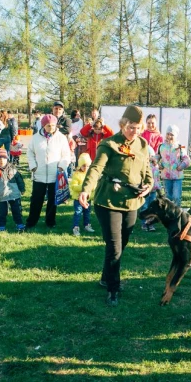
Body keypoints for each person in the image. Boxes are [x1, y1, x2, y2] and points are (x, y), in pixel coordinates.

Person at [78, 105, 153, 306]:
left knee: (122, 243)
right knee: (114, 246)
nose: (133, 132)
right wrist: (86, 189)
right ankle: (113, 288)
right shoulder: (109, 144)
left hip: (131, 202)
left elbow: (147, 171)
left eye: (137, 128)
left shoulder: (143, 144)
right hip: (108, 201)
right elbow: (95, 168)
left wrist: (148, 186)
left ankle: (105, 277)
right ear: (122, 124)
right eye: (130, 127)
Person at [25, 114, 71, 230]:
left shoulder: (61, 138)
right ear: (43, 125)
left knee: (52, 199)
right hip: (39, 174)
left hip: (54, 174)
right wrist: (33, 166)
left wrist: (61, 166)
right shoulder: (35, 138)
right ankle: (31, 221)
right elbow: (30, 152)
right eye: (48, 126)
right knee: (36, 199)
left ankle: (50, 221)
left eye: (53, 125)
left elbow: (66, 154)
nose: (51, 128)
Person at [0, 148, 26, 232]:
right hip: (2, 196)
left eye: (3, 158)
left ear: (7, 159)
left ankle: (19, 224)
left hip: (14, 195)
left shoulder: (13, 169)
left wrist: (22, 189)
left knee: (17, 210)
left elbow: (20, 180)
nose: (1, 160)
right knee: (2, 212)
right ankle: (1, 226)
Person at [158, 124, 190, 207]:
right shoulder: (161, 147)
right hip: (166, 176)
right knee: (168, 197)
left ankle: (177, 214)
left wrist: (182, 165)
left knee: (176, 196)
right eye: (168, 134)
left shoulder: (180, 147)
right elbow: (157, 157)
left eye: (172, 135)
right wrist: (158, 164)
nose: (169, 136)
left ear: (176, 136)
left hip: (177, 176)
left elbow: (186, 159)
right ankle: (169, 214)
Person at [69, 153, 94, 235]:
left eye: (87, 166)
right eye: (83, 166)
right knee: (78, 212)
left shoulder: (90, 175)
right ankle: (75, 227)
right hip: (78, 198)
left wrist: (91, 192)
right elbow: (74, 186)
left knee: (87, 212)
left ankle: (87, 225)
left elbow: (93, 185)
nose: (85, 168)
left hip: (87, 198)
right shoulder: (76, 175)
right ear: (80, 165)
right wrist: (84, 187)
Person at [139, 146, 162, 232]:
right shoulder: (142, 165)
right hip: (145, 190)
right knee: (144, 206)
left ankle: (150, 223)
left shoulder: (155, 166)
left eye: (151, 155)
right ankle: (144, 223)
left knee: (152, 207)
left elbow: (157, 178)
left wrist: (158, 187)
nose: (150, 157)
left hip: (153, 189)